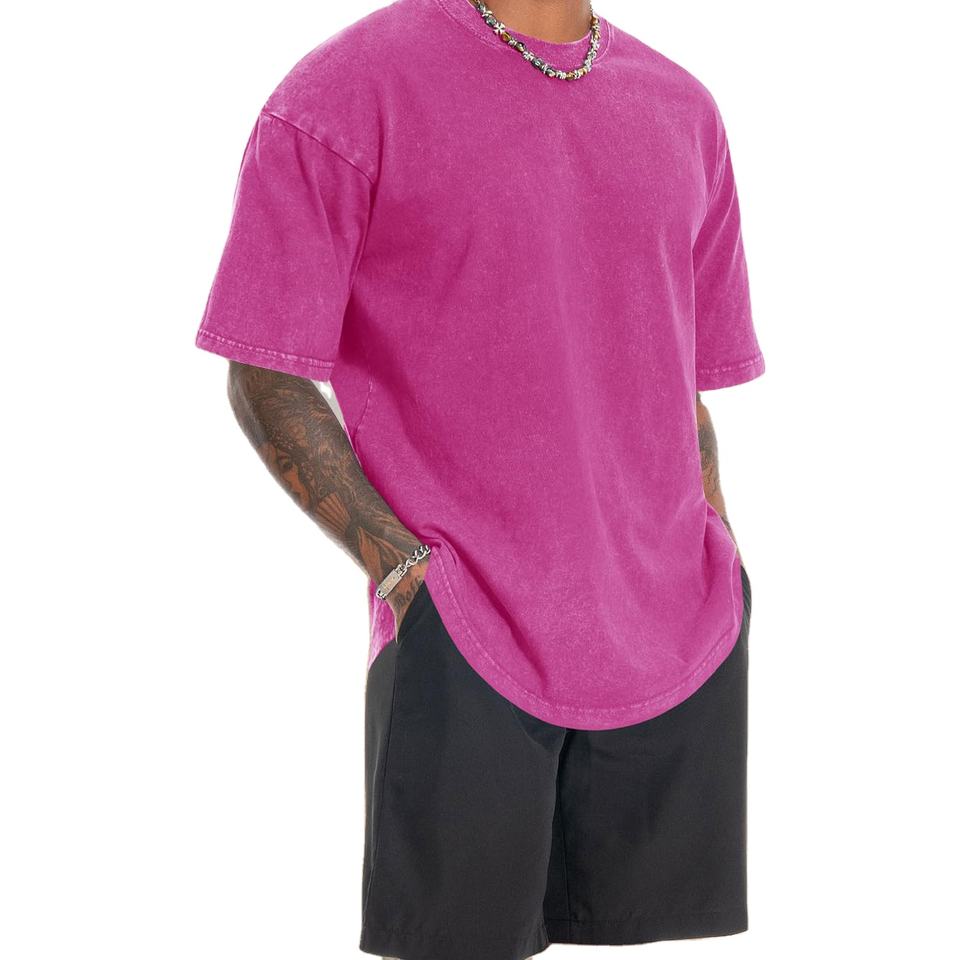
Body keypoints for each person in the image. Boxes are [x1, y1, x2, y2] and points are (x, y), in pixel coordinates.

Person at [194, 0, 765, 957]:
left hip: (679, 632)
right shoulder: (348, 92)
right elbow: (264, 367)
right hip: (467, 631)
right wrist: (402, 571)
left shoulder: (683, 109)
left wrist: (720, 551)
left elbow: (683, 379)